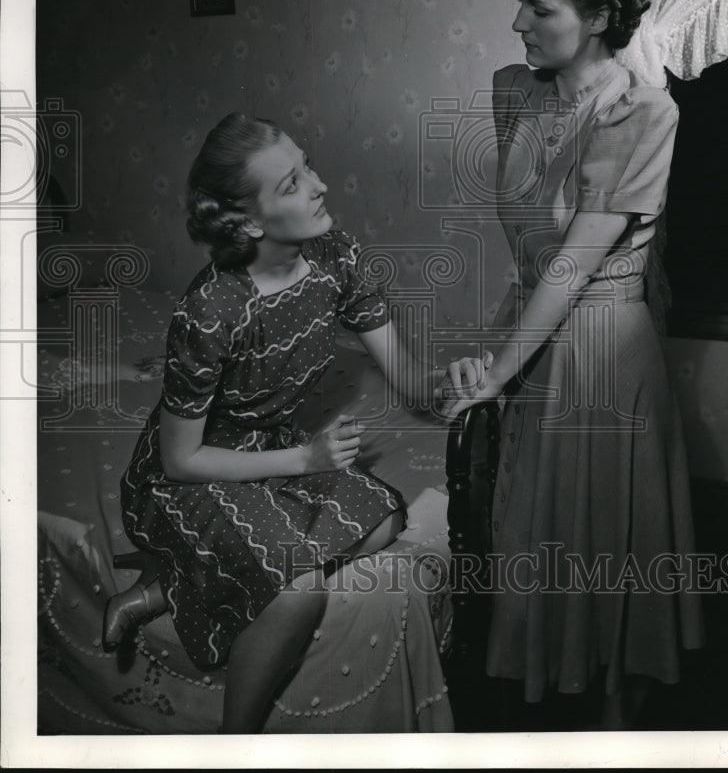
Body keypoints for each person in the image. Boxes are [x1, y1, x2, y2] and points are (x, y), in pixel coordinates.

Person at [103, 113, 489, 733]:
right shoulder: (211, 308)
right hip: (189, 478)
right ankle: (235, 745)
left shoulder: (338, 256)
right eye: (291, 183)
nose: (319, 185)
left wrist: (456, 380)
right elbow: (180, 460)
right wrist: (305, 461)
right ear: (249, 222)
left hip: (278, 453)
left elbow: (411, 384)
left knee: (387, 515)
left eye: (307, 165)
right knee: (299, 588)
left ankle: (164, 589)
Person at [441, 0, 705, 729]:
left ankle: (621, 719)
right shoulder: (511, 90)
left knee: (611, 544)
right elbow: (529, 252)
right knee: (541, 536)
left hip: (600, 353)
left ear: (597, 16)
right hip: (536, 332)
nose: (516, 21)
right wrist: (497, 357)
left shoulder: (643, 113)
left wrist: (496, 372)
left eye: (539, 7)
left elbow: (575, 260)